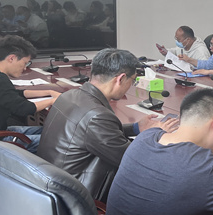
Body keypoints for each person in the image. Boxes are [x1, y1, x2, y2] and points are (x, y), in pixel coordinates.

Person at [37, 48, 179, 201]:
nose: (130, 86)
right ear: (121, 79)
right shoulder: (97, 116)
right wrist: (155, 133)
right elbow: (132, 159)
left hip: (51, 182)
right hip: (75, 196)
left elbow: (94, 133)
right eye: (132, 81)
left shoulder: (69, 95)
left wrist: (137, 128)